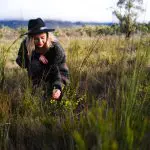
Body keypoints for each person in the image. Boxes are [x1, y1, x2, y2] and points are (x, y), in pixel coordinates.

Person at [16, 18, 69, 101]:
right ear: (30, 38)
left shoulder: (55, 48)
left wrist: (57, 87)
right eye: (36, 39)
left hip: (60, 75)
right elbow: (21, 62)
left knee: (59, 97)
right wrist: (35, 55)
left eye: (42, 37)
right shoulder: (26, 44)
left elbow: (56, 70)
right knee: (34, 63)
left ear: (47, 35)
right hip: (38, 77)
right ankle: (37, 89)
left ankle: (56, 91)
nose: (40, 41)